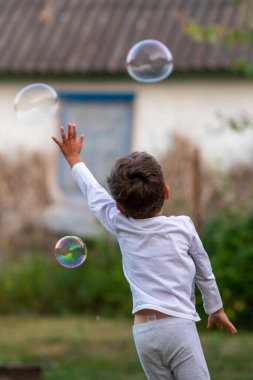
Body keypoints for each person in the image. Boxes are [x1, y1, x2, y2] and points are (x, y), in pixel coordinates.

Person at [52, 123, 237, 380]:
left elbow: (94, 194)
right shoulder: (183, 227)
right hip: (178, 327)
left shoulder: (120, 223)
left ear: (119, 206)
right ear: (167, 192)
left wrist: (74, 158)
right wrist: (215, 307)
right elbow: (204, 270)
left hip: (144, 334)